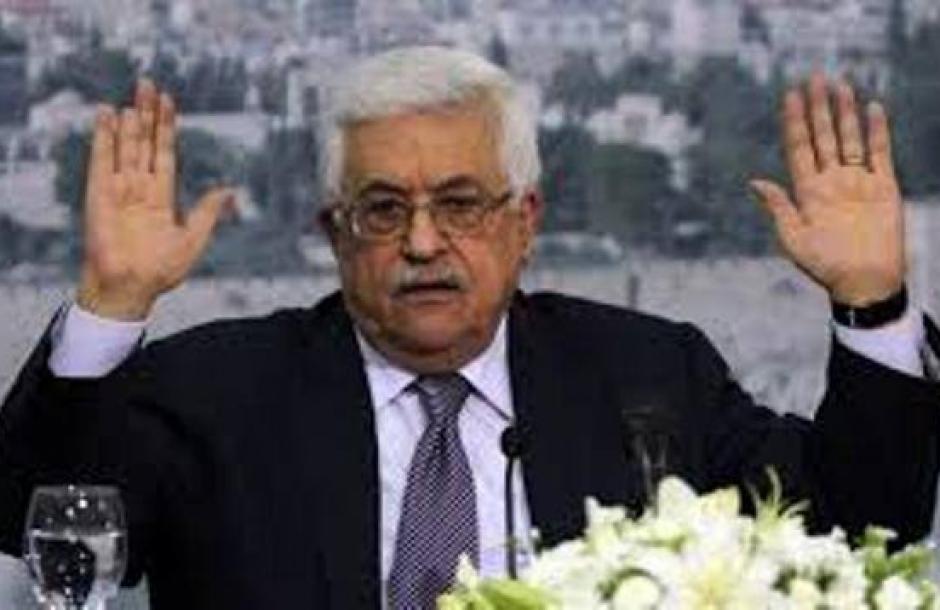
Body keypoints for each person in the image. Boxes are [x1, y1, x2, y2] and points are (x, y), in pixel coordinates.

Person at [1, 46, 938, 610]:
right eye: (382, 209)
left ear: (524, 223)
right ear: (334, 232)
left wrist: (872, 304)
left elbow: (859, 531)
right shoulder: (218, 394)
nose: (421, 243)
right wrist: (110, 304)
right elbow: (36, 526)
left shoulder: (649, 378)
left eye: (459, 204)